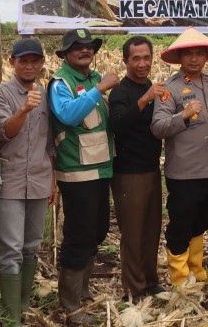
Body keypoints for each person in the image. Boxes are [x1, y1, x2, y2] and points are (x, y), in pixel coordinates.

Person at [151, 28, 208, 286]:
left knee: (203, 219)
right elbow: (158, 127)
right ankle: (179, 279)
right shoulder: (170, 89)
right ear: (179, 58)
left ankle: (197, 271)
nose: (195, 59)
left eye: (200, 54)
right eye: (189, 54)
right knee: (181, 225)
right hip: (184, 171)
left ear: (206, 57)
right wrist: (183, 115)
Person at [49, 28, 119, 324]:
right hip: (77, 172)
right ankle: (71, 305)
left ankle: (84, 290)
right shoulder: (60, 83)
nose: (85, 50)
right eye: (77, 47)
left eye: (89, 46)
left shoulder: (93, 77)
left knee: (98, 230)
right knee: (78, 235)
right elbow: (68, 115)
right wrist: (100, 89)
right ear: (65, 53)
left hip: (101, 168)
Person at [0, 38, 57, 325]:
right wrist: (24, 109)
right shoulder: (0, 93)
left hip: (41, 179)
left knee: (31, 244)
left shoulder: (44, 94)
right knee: (11, 249)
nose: (29, 65)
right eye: (23, 60)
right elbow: (5, 132)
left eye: (34, 60)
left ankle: (24, 303)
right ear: (11, 62)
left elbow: (49, 144)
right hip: (11, 180)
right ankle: (11, 316)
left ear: (42, 63)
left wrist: (53, 181)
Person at [108, 36, 167, 300]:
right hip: (128, 172)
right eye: (136, 58)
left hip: (152, 168)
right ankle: (134, 288)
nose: (142, 64)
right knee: (133, 232)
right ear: (125, 61)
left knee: (152, 230)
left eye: (146, 58)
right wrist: (144, 99)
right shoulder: (121, 92)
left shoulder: (154, 88)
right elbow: (118, 126)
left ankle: (150, 281)